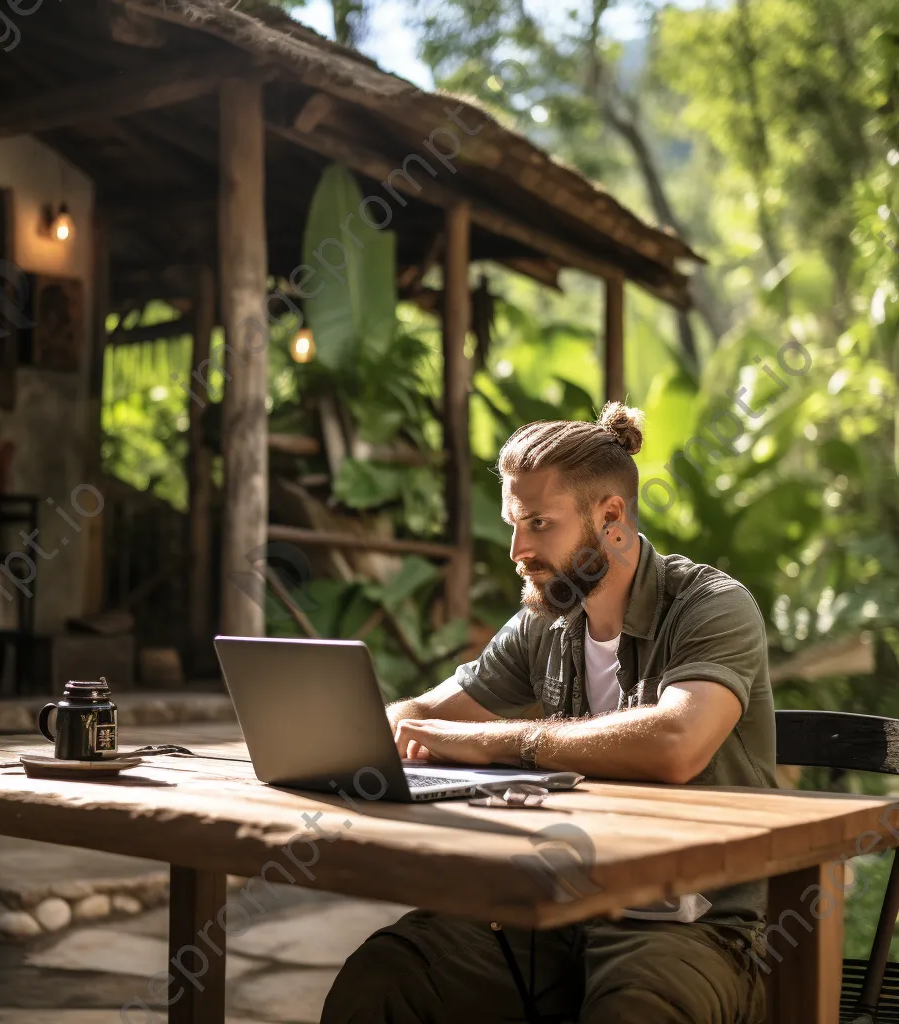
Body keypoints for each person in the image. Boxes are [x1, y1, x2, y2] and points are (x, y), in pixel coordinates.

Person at [320, 402, 776, 1024]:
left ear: (610, 516)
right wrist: (400, 722)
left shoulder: (710, 606)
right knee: (386, 977)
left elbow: (678, 742)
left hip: (690, 927)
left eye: (538, 522)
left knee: (633, 1013)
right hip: (553, 916)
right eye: (513, 522)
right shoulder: (545, 621)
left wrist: (501, 743)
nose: (516, 548)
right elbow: (424, 712)